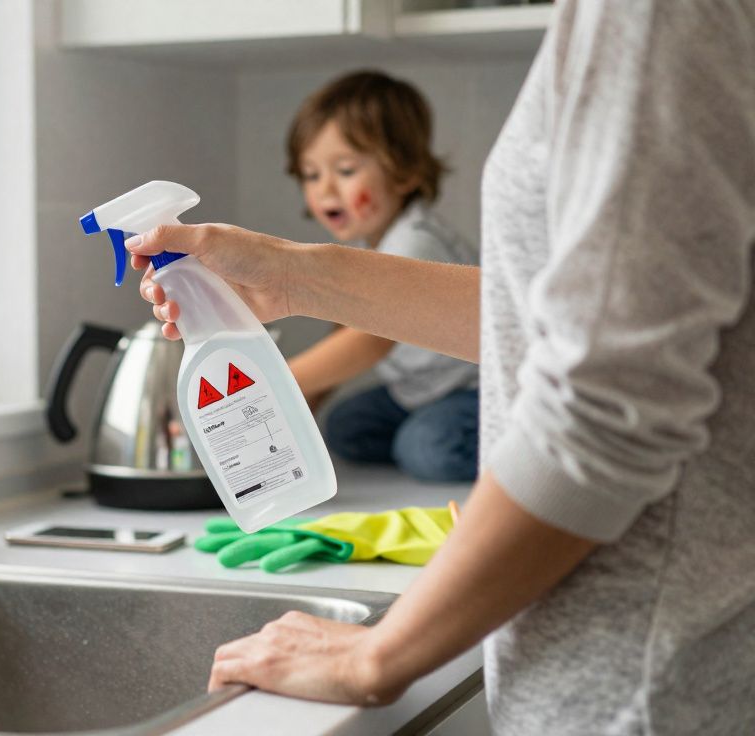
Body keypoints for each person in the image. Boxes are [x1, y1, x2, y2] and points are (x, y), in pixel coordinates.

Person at [127, 1, 755, 732]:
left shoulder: (651, 15)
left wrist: (379, 655)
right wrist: (293, 278)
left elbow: (611, 406)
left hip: (647, 689)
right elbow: (552, 319)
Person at [283, 70, 479, 483]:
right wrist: (304, 402)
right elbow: (344, 329)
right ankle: (418, 434)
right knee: (346, 428)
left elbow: (369, 340)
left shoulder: (415, 242)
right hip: (418, 393)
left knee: (428, 447)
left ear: (405, 173)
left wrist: (276, 384)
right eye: (312, 174)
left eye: (346, 170)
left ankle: (504, 443)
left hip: (475, 390)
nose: (325, 190)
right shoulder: (368, 246)